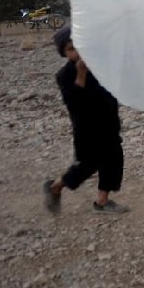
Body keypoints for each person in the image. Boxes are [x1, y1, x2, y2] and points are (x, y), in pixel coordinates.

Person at [43, 26, 128, 214]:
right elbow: (74, 103)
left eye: (81, 47)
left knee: (113, 160)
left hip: (108, 123)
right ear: (64, 53)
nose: (79, 52)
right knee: (86, 166)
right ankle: (55, 187)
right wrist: (81, 74)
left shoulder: (100, 67)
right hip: (87, 130)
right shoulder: (64, 75)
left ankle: (102, 203)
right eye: (72, 49)